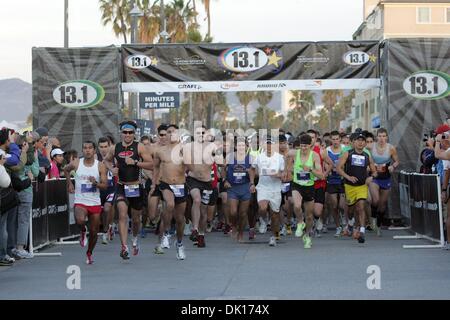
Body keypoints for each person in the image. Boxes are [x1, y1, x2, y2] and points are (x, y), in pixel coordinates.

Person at [104, 120, 153, 260]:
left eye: (130, 132)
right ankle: (124, 247)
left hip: (136, 186)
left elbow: (151, 165)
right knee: (122, 215)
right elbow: (106, 160)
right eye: (125, 132)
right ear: (121, 133)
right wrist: (111, 168)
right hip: (121, 186)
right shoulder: (115, 148)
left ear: (134, 133)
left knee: (136, 219)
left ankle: (135, 238)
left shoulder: (140, 147)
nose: (128, 135)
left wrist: (136, 162)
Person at [65, 141, 108, 264]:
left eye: (90, 148)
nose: (87, 150)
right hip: (81, 200)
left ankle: (89, 253)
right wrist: (69, 183)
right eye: (85, 148)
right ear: (82, 150)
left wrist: (96, 183)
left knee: (94, 232)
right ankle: (83, 231)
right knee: (79, 220)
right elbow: (66, 170)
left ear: (94, 151)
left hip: (94, 201)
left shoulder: (100, 165)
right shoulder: (77, 162)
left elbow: (105, 186)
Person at [152, 125, 188, 260]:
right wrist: (154, 184)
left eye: (174, 132)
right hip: (166, 184)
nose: (171, 134)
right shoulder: (160, 151)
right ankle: (166, 233)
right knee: (170, 204)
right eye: (168, 132)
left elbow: (192, 167)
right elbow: (155, 167)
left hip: (181, 185)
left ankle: (179, 244)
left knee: (180, 219)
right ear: (165, 135)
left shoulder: (184, 150)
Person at [336, 132, 377, 244]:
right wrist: (348, 177)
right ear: (353, 142)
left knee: (361, 207)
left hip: (362, 186)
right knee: (350, 210)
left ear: (365, 143)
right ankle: (350, 223)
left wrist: (371, 177)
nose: (360, 142)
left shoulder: (367, 156)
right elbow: (338, 168)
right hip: (349, 186)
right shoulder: (347, 154)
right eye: (358, 140)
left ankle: (362, 232)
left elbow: (374, 172)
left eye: (362, 140)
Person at [285, 135, 324, 249]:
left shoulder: (315, 156)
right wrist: (288, 169)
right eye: (302, 146)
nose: (303, 149)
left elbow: (321, 175)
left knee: (310, 216)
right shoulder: (294, 153)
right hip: (297, 184)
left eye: (306, 146)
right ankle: (300, 222)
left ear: (310, 146)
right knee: (296, 206)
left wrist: (311, 169)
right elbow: (286, 155)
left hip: (309, 186)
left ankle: (307, 236)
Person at [184, 125, 218, 248]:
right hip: (193, 179)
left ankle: (201, 235)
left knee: (204, 212)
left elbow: (220, 161)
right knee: (196, 200)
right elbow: (185, 163)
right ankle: (194, 229)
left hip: (207, 182)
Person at [10, 133, 39, 259]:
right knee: (23, 220)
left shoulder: (13, 155)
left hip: (13, 189)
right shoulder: (30, 155)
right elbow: (36, 171)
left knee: (12, 221)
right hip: (25, 190)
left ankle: (11, 247)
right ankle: (20, 248)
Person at [251, 137, 285, 246]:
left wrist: (277, 175)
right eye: (267, 144)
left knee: (275, 215)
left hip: (275, 189)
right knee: (262, 207)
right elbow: (252, 169)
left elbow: (285, 176)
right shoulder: (259, 157)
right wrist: (252, 183)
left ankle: (273, 237)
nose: (269, 146)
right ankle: (263, 220)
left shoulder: (280, 158)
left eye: (271, 144)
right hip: (263, 187)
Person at [224, 137, 256, 242]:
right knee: (233, 212)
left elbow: (253, 172)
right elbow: (223, 169)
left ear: (247, 147)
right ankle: (234, 226)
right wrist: (225, 180)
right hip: (233, 187)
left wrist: (252, 184)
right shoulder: (229, 157)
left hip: (245, 187)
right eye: (239, 145)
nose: (241, 147)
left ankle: (241, 233)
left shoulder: (250, 158)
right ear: (235, 147)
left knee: (243, 213)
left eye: (243, 145)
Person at [369, 128, 400, 236]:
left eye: (384, 136)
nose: (381, 138)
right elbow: (363, 156)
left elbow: (397, 161)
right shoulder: (371, 146)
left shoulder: (391, 148)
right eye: (380, 136)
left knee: (382, 205)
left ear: (386, 137)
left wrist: (392, 166)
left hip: (385, 177)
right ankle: (372, 217)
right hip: (374, 177)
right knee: (376, 200)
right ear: (376, 137)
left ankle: (378, 225)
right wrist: (369, 167)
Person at [323, 131, 347, 237]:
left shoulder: (344, 149)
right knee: (334, 205)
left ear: (340, 140)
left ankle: (345, 221)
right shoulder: (327, 151)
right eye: (333, 139)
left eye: (337, 139)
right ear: (331, 140)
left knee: (342, 205)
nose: (335, 141)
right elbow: (324, 163)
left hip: (342, 180)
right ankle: (338, 227)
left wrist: (341, 169)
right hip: (331, 180)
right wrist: (329, 168)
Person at [97, 137, 116, 244]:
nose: (103, 149)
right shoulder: (95, 158)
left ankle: (106, 230)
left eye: (105, 147)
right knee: (99, 212)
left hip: (111, 188)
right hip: (99, 189)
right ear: (98, 148)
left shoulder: (114, 158)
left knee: (107, 208)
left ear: (110, 147)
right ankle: (108, 227)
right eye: (101, 147)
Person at [0, 148, 17, 266]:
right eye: (4, 158)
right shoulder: (1, 168)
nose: (5, 159)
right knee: (2, 228)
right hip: (2, 202)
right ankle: (2, 255)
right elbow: (6, 183)